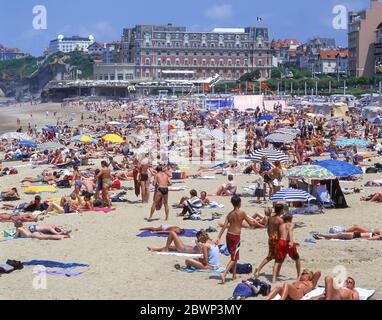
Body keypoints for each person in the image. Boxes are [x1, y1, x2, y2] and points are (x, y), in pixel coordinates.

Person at [215, 196, 256, 284]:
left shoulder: (229, 214)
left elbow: (224, 227)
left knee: (234, 256)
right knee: (234, 258)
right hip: (236, 237)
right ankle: (224, 273)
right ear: (239, 203)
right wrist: (256, 223)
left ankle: (234, 275)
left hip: (228, 235)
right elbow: (250, 223)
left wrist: (218, 237)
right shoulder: (242, 213)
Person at [254, 204, 285, 278]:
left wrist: (270, 236)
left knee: (270, 256)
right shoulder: (280, 220)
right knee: (279, 257)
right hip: (276, 239)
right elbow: (281, 232)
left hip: (271, 238)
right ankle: (276, 273)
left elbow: (268, 229)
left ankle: (258, 269)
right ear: (281, 211)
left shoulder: (270, 218)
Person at [272, 214, 301, 283]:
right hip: (287, 242)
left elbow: (280, 235)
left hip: (280, 242)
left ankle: (273, 278)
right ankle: (299, 275)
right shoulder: (291, 224)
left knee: (277, 261)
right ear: (290, 219)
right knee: (297, 258)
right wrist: (291, 241)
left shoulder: (281, 225)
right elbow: (290, 231)